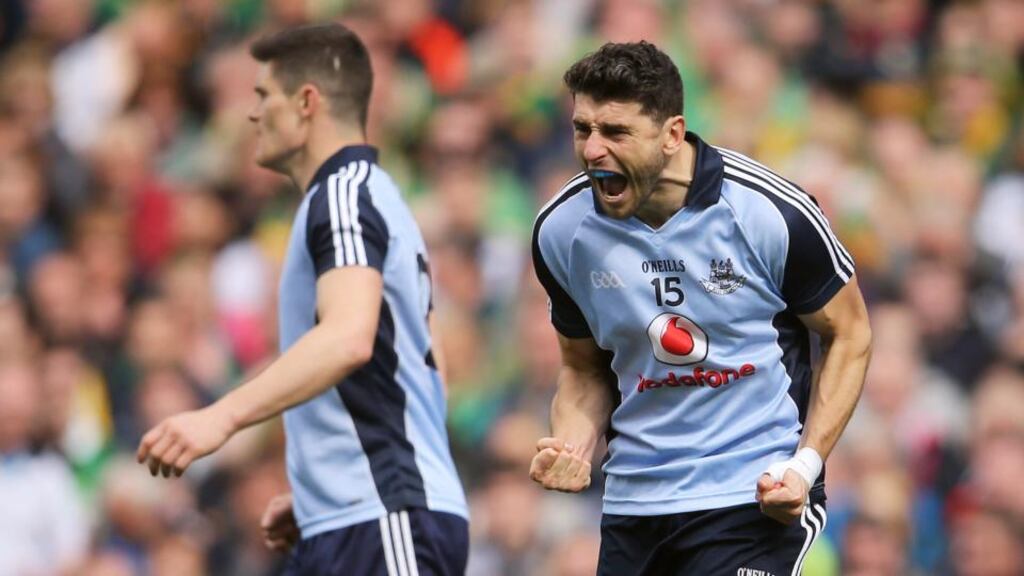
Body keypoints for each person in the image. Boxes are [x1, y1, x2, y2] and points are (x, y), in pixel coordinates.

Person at [136, 23, 469, 575]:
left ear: (307, 102)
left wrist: (221, 418)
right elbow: (428, 372)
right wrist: (325, 488)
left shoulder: (342, 197)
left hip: (382, 516)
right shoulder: (372, 196)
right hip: (354, 515)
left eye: (264, 95)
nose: (253, 113)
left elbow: (348, 338)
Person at [529, 41, 872, 576]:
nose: (592, 150)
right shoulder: (562, 231)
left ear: (672, 134)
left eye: (616, 132)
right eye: (583, 129)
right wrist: (574, 443)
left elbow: (850, 334)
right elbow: (582, 368)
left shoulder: (768, 212)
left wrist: (804, 467)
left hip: (752, 495)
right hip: (634, 505)